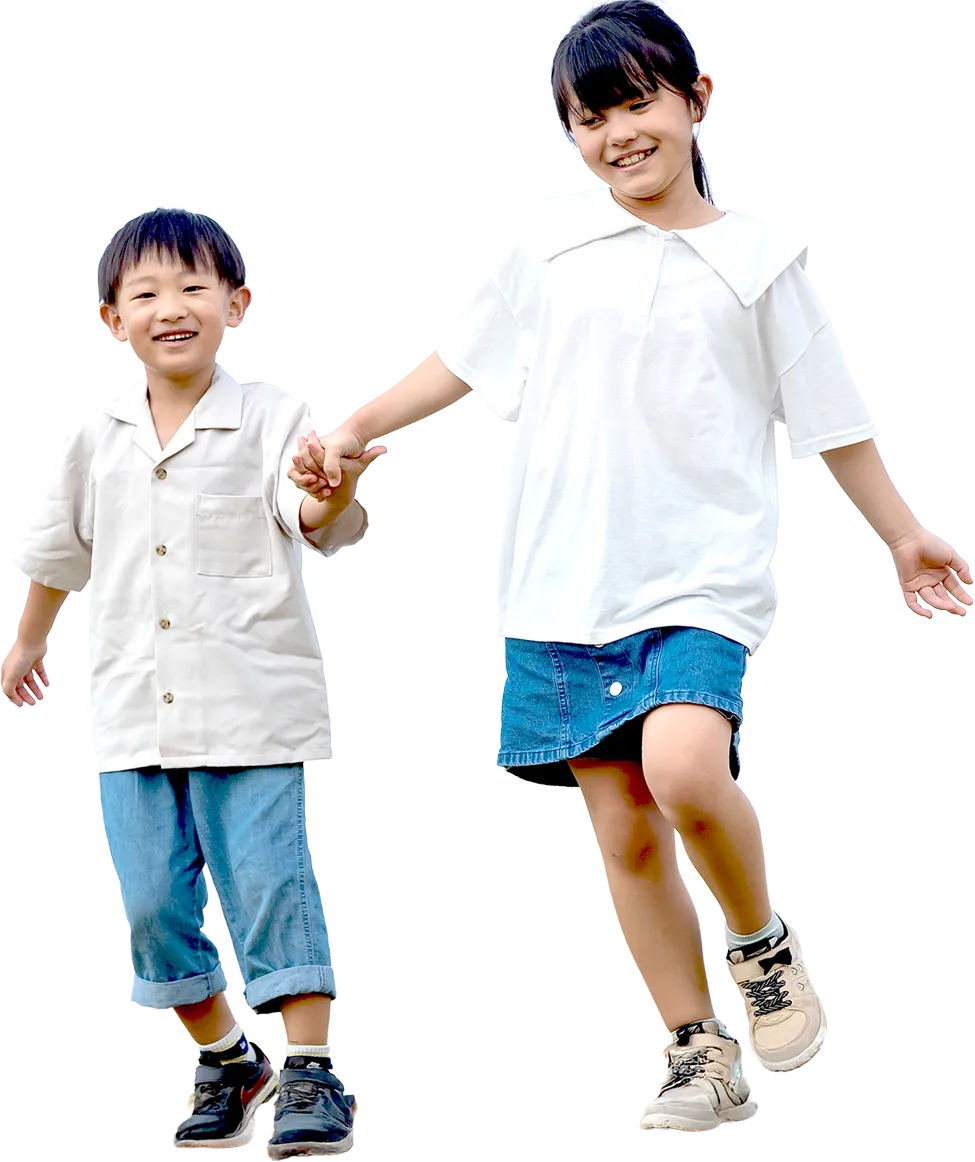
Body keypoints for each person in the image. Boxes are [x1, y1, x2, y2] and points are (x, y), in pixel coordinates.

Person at [286, 0, 973, 1138]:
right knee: (624, 826)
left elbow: (833, 418)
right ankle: (696, 1051)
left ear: (698, 99)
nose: (617, 136)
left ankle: (759, 946)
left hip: (698, 572)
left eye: (638, 104)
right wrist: (357, 429)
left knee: (686, 766)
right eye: (589, 118)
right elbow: (458, 359)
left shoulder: (761, 261)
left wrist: (901, 534)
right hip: (562, 578)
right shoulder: (549, 239)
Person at [2, 206, 381, 1155]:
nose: (170, 307)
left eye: (192, 287)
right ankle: (226, 1060)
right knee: (152, 904)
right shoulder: (94, 437)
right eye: (145, 293)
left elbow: (312, 515)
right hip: (132, 710)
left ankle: (311, 1071)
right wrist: (28, 641)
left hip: (251, 704)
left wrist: (332, 485)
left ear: (237, 303)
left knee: (268, 884)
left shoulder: (274, 416)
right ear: (112, 318)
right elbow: (56, 552)